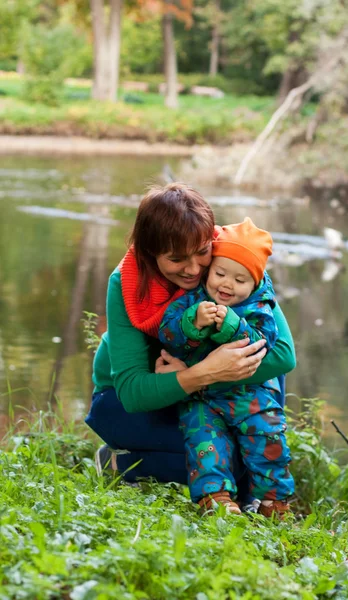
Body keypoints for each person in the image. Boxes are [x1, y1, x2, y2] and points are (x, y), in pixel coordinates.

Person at [85, 183, 296, 499]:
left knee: (258, 355)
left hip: (194, 389)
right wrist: (205, 373)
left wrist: (205, 375)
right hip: (128, 399)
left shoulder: (233, 259)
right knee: (216, 465)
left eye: (201, 252)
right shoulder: (126, 283)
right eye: (177, 259)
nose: (194, 269)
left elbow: (282, 356)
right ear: (149, 253)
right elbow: (131, 392)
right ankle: (120, 462)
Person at [158, 218, 295, 517]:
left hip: (252, 395)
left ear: (255, 283)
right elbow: (167, 333)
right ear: (211, 269)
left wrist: (232, 326)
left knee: (268, 440)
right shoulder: (193, 300)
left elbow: (262, 343)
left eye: (240, 280)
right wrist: (191, 323)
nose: (226, 285)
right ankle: (216, 498)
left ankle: (274, 502)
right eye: (220, 273)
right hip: (202, 398)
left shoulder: (260, 308)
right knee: (204, 443)